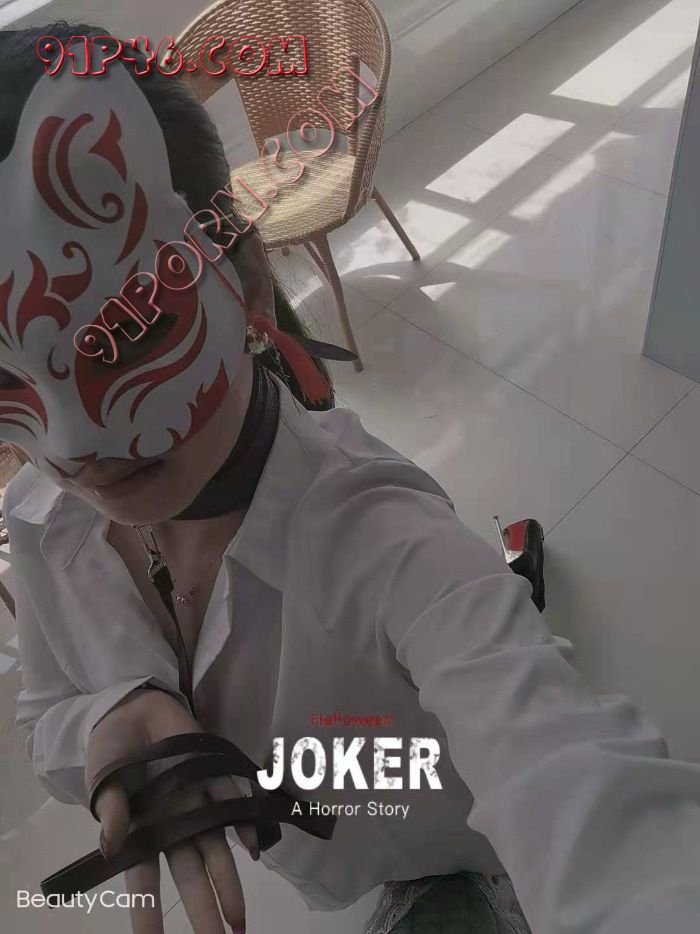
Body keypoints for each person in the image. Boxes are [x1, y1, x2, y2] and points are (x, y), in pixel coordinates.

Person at [4, 21, 700, 934]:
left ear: (248, 284)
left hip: (443, 842)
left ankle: (511, 581)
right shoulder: (38, 520)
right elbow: (46, 710)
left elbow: (584, 797)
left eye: (131, 332)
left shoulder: (388, 540)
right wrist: (109, 716)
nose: (74, 444)